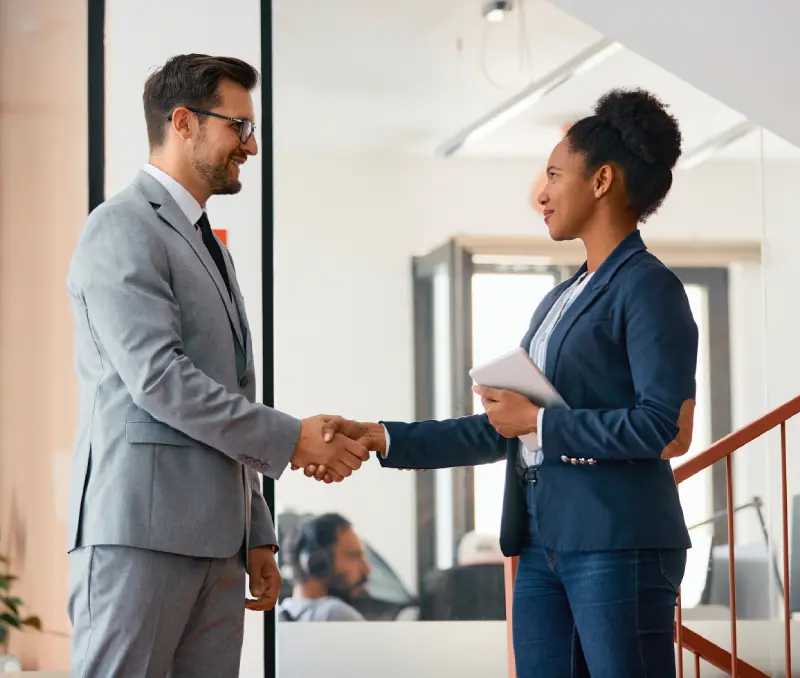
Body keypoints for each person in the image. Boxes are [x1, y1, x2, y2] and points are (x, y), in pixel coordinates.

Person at [300, 89, 698, 677]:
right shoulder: (559, 299)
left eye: (555, 175)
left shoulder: (648, 287)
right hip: (540, 541)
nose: (542, 193)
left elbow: (664, 427)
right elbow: (502, 429)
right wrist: (382, 436)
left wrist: (539, 421)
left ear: (602, 180)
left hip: (618, 542)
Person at [65, 54, 368, 678]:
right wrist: (294, 437)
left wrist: (256, 529)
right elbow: (160, 379)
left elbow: (231, 390)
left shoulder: (208, 245)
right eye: (239, 127)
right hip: (140, 536)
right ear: (183, 122)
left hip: (220, 545)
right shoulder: (120, 227)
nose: (250, 146)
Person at [278, 513, 371, 622]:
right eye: (353, 555)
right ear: (318, 563)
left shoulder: (282, 613)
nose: (367, 568)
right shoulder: (334, 613)